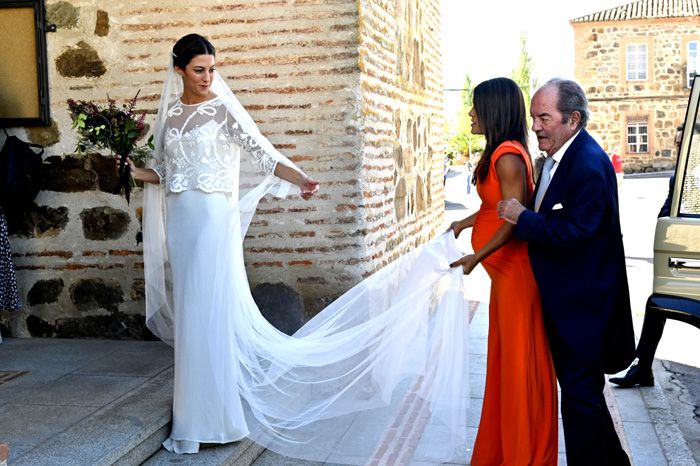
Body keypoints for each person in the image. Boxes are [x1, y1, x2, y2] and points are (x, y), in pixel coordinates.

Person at [122, 33, 472, 464]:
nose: (208, 78)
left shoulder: (223, 109)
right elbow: (163, 171)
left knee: (208, 311)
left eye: (213, 69)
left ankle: (214, 420)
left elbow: (261, 154)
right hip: (181, 219)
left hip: (212, 220)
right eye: (199, 70)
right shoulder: (171, 116)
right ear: (179, 70)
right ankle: (194, 417)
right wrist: (130, 169)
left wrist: (298, 178)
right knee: (192, 314)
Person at [498, 78, 635, 466]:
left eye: (544, 117)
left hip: (583, 310)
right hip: (570, 306)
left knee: (580, 403)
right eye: (534, 117)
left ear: (573, 119)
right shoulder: (564, 157)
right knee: (582, 400)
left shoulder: (588, 165)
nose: (536, 126)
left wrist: (523, 218)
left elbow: (578, 234)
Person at [448, 77, 558, 466]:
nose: (470, 113)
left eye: (476, 106)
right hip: (505, 280)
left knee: (518, 369)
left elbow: (515, 219)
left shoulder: (508, 156)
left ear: (493, 110)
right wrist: (465, 223)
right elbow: (497, 205)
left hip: (516, 278)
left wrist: (477, 257)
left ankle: (524, 453)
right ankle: (504, 450)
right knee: (504, 369)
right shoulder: (501, 153)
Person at [609, 123, 684, 388]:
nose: (678, 148)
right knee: (657, 304)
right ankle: (643, 367)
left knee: (658, 303)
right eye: (677, 143)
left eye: (682, 143)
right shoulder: (682, 174)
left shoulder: (692, 176)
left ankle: (643, 367)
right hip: (680, 247)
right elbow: (667, 209)